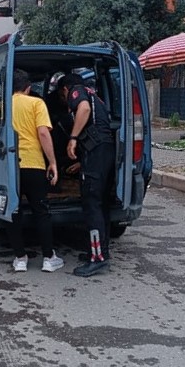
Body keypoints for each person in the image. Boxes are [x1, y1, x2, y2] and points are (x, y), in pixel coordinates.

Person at [58, 73, 115, 277]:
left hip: (97, 153)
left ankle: (97, 259)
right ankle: (100, 251)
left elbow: (84, 109)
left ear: (65, 89)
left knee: (91, 204)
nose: (66, 100)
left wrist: (72, 138)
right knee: (101, 204)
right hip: (104, 152)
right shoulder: (94, 94)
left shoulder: (77, 91)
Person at [7, 69, 64, 273]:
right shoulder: (36, 103)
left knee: (14, 211)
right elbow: (43, 132)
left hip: (10, 167)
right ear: (28, 88)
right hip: (33, 164)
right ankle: (49, 257)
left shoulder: (2, 105)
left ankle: (20, 258)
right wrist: (53, 163)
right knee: (41, 212)